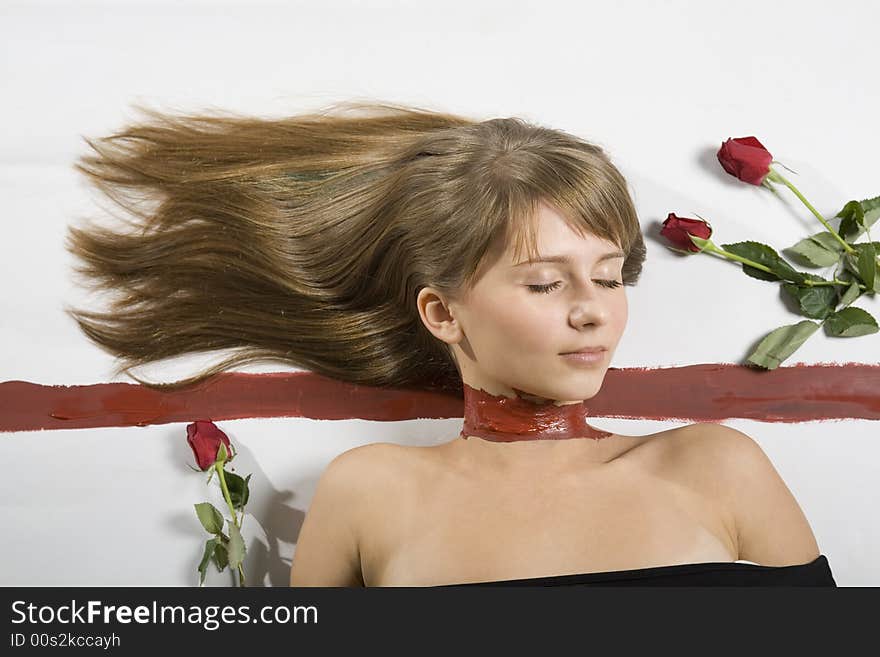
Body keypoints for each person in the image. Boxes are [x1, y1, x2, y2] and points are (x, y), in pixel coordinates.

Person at [63, 99, 835, 586]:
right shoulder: (370, 491)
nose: (594, 311)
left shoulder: (716, 466)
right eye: (545, 283)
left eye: (609, 276)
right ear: (441, 312)